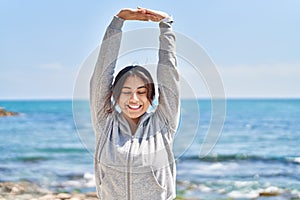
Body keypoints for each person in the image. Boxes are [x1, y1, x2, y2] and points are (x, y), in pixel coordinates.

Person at [90, 7, 180, 200]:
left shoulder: (163, 124)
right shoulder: (105, 123)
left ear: (151, 97)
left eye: (141, 92)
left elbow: (169, 74)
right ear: (114, 94)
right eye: (126, 91)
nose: (134, 99)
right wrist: (117, 22)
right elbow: (102, 73)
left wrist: (166, 28)